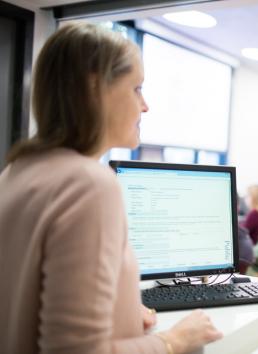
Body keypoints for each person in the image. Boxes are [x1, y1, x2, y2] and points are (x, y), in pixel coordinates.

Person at [0, 23, 221, 354]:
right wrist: (173, 340)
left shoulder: (15, 172)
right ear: (95, 89)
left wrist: (124, 312)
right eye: (137, 89)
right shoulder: (88, 184)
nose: (145, 106)